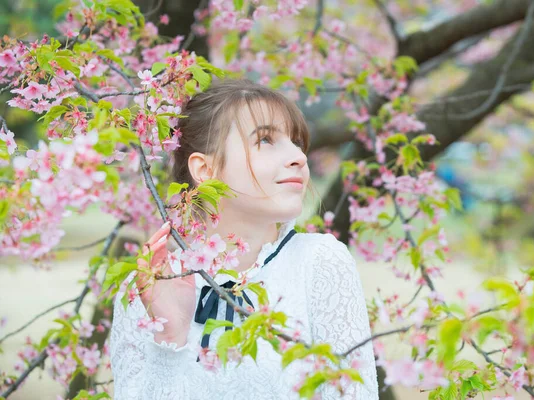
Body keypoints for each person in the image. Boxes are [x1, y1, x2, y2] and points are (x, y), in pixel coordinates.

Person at [109, 78, 379, 399]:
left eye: (296, 142)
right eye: (265, 140)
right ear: (205, 169)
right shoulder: (146, 288)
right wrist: (171, 335)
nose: (299, 157)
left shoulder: (319, 263)